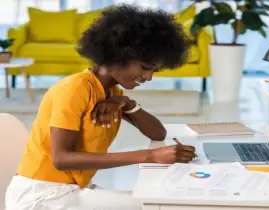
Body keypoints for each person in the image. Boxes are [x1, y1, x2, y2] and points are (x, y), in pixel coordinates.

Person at [5, 4, 194, 210]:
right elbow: (61, 159)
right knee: (157, 205)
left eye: (154, 71)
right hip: (41, 196)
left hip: (70, 189)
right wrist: (150, 156)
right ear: (117, 55)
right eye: (145, 68)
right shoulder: (74, 89)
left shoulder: (112, 93)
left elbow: (158, 133)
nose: (148, 77)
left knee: (157, 201)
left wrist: (127, 104)